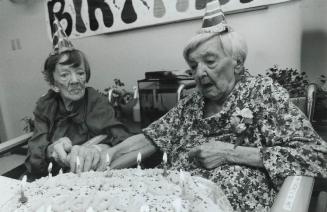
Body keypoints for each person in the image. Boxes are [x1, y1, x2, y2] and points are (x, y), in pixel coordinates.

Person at [100, 0, 327, 211]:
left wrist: (231, 153)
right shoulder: (191, 105)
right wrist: (103, 159)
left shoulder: (263, 94)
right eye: (193, 66)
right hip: (170, 200)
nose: (199, 73)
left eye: (209, 62)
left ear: (237, 63)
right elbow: (149, 138)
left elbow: (315, 155)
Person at [25, 18, 131, 179]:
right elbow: (35, 150)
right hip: (56, 176)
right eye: (65, 75)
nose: (75, 80)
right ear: (54, 84)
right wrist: (50, 150)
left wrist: (98, 148)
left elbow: (122, 139)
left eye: (80, 73)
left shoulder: (96, 101)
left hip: (94, 175)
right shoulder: (45, 106)